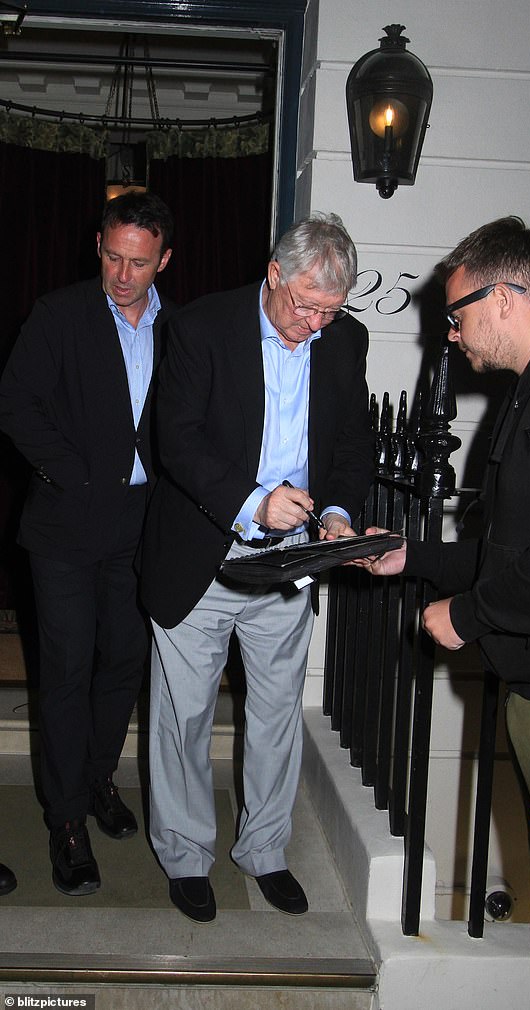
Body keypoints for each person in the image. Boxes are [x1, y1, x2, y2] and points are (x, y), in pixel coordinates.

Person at [362, 217, 530, 1010]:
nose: (449, 335)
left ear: (508, 296)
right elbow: (525, 553)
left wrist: (473, 614)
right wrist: (413, 557)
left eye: (457, 314)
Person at [139, 212, 374, 922]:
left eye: (329, 311)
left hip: (290, 562)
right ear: (274, 274)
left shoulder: (345, 340)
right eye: (305, 304)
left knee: (275, 716)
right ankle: (184, 855)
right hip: (204, 553)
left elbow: (352, 444)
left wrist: (336, 509)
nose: (314, 324)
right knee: (182, 719)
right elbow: (173, 440)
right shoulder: (201, 328)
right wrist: (252, 501)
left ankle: (265, 851)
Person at [0, 190, 176, 897]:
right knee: (67, 672)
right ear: (98, 245)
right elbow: (15, 402)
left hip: (142, 523)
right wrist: (73, 473)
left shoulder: (182, 328)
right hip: (66, 526)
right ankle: (65, 820)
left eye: (138, 261)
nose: (122, 274)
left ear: (163, 259)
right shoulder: (60, 315)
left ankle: (98, 777)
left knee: (124, 662)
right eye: (111, 256)